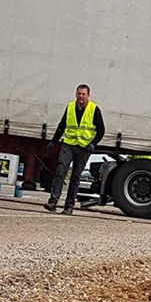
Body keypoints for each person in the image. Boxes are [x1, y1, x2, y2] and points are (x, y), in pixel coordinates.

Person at [44, 84, 105, 214]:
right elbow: (62, 124)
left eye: (83, 94)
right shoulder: (71, 107)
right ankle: (53, 201)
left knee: (75, 177)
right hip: (69, 144)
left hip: (83, 147)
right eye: (79, 94)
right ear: (75, 94)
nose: (81, 97)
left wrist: (93, 143)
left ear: (88, 95)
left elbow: (101, 130)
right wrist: (54, 141)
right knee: (61, 171)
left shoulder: (94, 109)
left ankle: (69, 206)